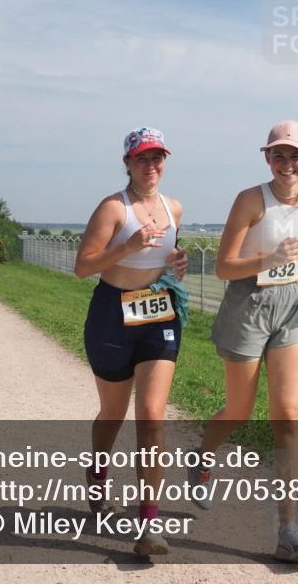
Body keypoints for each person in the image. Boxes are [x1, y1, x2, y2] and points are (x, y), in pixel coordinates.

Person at [187, 120, 298, 562]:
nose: (286, 163)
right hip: (248, 304)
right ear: (267, 158)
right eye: (278, 154)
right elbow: (223, 267)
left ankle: (287, 531)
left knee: (288, 416)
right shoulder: (250, 200)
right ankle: (202, 456)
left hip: (292, 306)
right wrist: (269, 258)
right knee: (239, 410)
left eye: (294, 155)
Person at [74, 127, 189, 557]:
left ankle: (149, 523)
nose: (151, 165)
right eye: (142, 158)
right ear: (127, 162)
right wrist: (127, 247)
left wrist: (176, 262)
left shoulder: (174, 207)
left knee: (152, 415)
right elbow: (83, 266)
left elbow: (165, 258)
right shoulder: (113, 208)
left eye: (158, 157)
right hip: (111, 314)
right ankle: (98, 474)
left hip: (158, 312)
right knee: (113, 412)